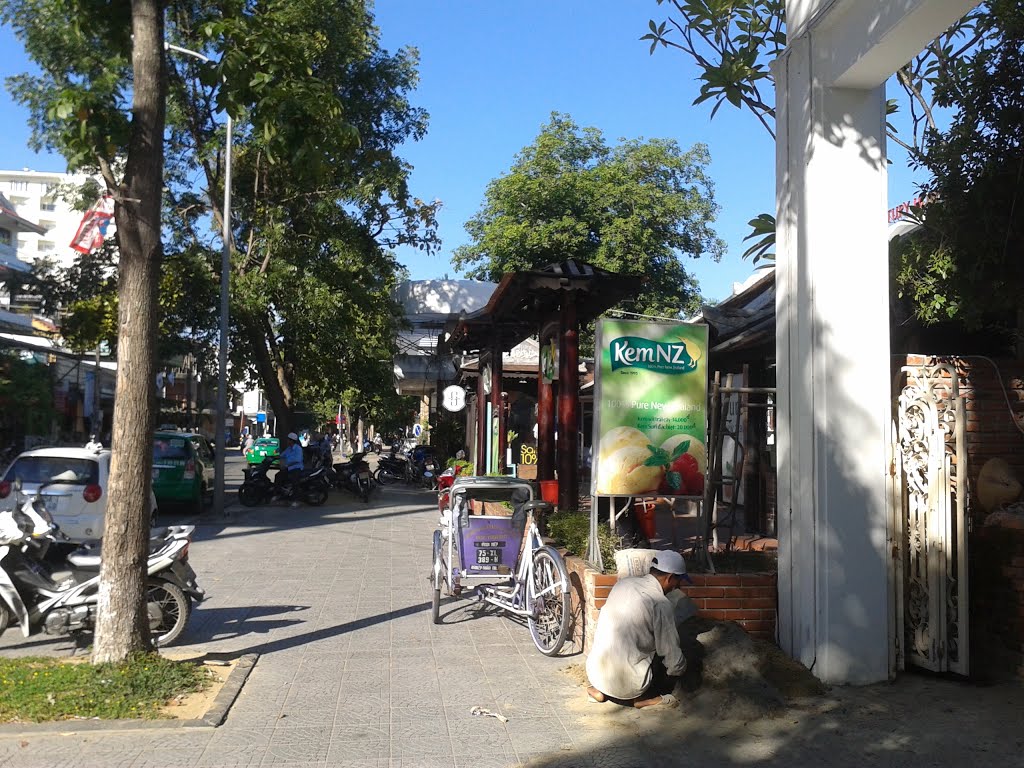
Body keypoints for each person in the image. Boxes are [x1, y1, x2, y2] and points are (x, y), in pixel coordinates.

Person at [585, 550, 692, 709]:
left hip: (596, 673)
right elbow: (672, 657)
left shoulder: (623, 584)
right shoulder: (661, 603)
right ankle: (644, 698)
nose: (678, 586)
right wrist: (683, 671)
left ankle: (600, 692)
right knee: (662, 655)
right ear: (670, 577)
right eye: (678, 581)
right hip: (631, 684)